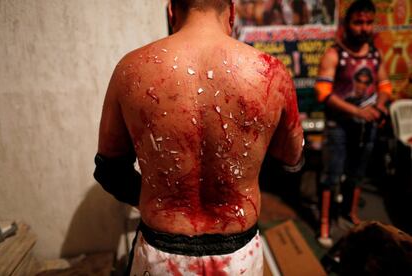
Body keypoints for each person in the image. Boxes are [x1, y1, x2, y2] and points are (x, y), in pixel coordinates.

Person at [94, 0, 304, 274]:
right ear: (231, 12)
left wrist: (161, 198)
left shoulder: (131, 69)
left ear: (171, 10)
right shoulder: (271, 73)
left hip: (161, 257)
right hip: (238, 258)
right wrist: (241, 183)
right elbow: (291, 165)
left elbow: (110, 171)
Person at [314, 0, 392, 248]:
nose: (364, 28)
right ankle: (325, 222)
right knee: (331, 176)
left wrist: (379, 107)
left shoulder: (374, 54)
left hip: (366, 126)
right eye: (358, 22)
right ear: (347, 24)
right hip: (339, 126)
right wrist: (356, 111)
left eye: (369, 22)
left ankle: (351, 213)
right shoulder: (334, 54)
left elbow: (385, 86)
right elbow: (323, 93)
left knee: (358, 173)